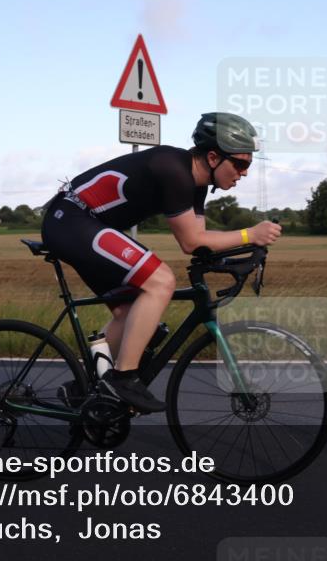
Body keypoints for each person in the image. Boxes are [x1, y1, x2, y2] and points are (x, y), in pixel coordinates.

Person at [41, 113, 282, 413]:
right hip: (73, 221)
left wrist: (243, 254)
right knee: (161, 280)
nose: (244, 172)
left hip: (89, 226)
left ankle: (83, 391)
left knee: (129, 313)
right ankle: (123, 378)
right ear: (212, 157)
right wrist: (250, 234)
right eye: (241, 163)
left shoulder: (197, 185)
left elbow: (200, 243)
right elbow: (191, 241)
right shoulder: (173, 170)